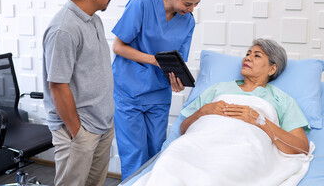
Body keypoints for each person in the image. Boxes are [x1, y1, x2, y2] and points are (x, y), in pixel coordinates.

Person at [134, 38, 313, 185]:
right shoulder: (218, 89)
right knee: (171, 159)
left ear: (272, 68)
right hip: (197, 143)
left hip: (243, 148)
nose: (247, 58)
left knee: (222, 170)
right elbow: (183, 129)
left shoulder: (281, 99)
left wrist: (260, 121)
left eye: (256, 55)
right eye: (247, 54)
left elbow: (300, 147)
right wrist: (203, 111)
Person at [112, 0, 204, 179]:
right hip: (128, 92)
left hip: (158, 94)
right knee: (134, 155)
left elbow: (177, 60)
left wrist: (176, 79)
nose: (191, 9)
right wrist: (154, 60)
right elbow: (118, 47)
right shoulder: (141, 5)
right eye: (188, 3)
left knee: (157, 154)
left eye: (196, 4)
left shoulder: (188, 21)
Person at [42, 0, 114, 186]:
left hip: (101, 124)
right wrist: (77, 132)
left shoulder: (94, 21)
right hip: (79, 130)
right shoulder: (64, 28)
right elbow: (58, 86)